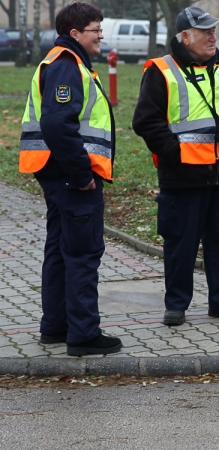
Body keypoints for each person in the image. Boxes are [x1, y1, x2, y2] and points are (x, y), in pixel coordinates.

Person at [132, 6, 219, 327]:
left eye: (214, 30)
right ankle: (176, 304)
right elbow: (146, 122)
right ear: (185, 37)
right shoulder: (161, 70)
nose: (212, 36)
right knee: (180, 244)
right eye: (205, 32)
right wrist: (174, 155)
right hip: (183, 177)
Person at [19, 2, 122, 356]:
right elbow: (57, 124)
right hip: (71, 178)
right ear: (75, 33)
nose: (101, 35)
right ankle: (83, 335)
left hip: (57, 175)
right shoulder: (66, 64)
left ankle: (56, 328)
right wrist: (82, 175)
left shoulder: (64, 63)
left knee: (61, 251)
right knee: (82, 253)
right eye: (96, 29)